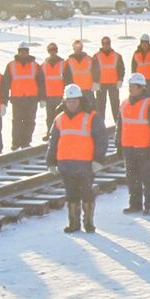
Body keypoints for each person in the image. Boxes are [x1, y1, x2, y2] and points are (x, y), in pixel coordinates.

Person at [46, 83, 106, 233]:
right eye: (69, 101)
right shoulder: (59, 119)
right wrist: (51, 162)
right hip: (66, 163)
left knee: (86, 193)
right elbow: (53, 142)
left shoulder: (92, 117)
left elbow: (101, 139)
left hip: (85, 163)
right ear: (65, 101)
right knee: (71, 194)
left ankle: (88, 223)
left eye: (74, 101)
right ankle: (74, 223)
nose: (71, 104)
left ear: (80, 100)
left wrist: (98, 160)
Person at [118, 73, 150, 215]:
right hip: (128, 147)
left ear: (141, 88)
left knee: (147, 178)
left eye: (133, 87)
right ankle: (135, 204)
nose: (130, 89)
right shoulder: (124, 103)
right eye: (130, 86)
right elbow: (120, 125)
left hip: (144, 148)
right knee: (132, 178)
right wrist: (118, 142)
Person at [5, 42, 44, 150]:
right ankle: (16, 143)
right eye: (21, 51)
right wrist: (3, 101)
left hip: (31, 98)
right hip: (17, 98)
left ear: (28, 52)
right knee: (17, 121)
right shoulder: (11, 65)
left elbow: (41, 82)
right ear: (18, 52)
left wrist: (42, 98)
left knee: (30, 121)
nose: (23, 53)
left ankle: (26, 142)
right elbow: (5, 83)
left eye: (25, 51)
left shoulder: (35, 65)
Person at [94, 36, 125, 127]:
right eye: (104, 43)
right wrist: (95, 82)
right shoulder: (96, 56)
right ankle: (100, 126)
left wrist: (120, 80)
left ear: (110, 44)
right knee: (100, 107)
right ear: (101, 44)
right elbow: (94, 70)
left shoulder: (117, 56)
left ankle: (119, 125)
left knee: (115, 106)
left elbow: (121, 69)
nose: (106, 45)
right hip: (101, 85)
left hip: (113, 84)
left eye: (107, 43)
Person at [40, 42, 66, 136]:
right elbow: (41, 83)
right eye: (50, 50)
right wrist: (42, 97)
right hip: (49, 95)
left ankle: (62, 133)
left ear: (57, 50)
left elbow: (68, 79)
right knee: (50, 116)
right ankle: (50, 133)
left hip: (61, 95)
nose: (52, 52)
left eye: (54, 50)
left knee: (61, 115)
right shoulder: (43, 65)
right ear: (48, 51)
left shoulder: (63, 63)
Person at [64, 40, 98, 109]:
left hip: (89, 90)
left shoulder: (90, 59)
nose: (78, 49)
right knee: (78, 112)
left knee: (91, 111)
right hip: (76, 93)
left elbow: (96, 71)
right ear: (73, 48)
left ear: (82, 47)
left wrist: (96, 82)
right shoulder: (68, 61)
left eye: (79, 47)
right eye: (76, 47)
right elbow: (67, 77)